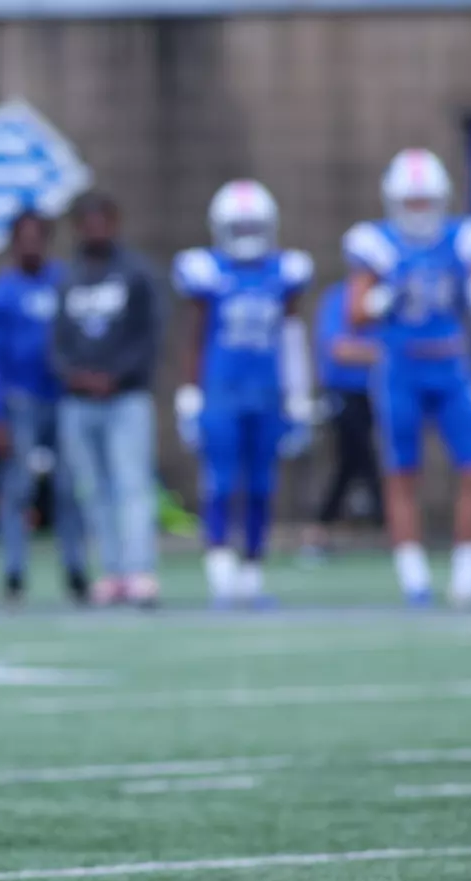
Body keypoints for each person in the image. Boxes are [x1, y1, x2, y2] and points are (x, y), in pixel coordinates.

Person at [345, 148, 471, 607]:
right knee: (401, 474)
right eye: (410, 202)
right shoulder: (376, 243)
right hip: (401, 366)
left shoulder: (463, 237)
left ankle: (467, 579)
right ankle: (414, 580)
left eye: (425, 201)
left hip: (451, 365)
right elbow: (356, 312)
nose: (418, 210)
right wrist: (380, 299)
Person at [172, 180, 314, 608]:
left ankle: (251, 572)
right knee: (219, 481)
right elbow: (195, 336)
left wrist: (299, 394)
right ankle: (219, 569)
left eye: (255, 226)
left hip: (268, 390)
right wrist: (189, 392)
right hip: (221, 390)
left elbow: (291, 335)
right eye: (240, 226)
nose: (248, 235)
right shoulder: (207, 272)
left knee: (260, 485)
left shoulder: (284, 272)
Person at [52, 190, 165, 608]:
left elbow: (149, 336)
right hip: (79, 400)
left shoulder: (136, 273)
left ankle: (140, 570)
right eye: (87, 221)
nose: (95, 229)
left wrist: (117, 377)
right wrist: (75, 375)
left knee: (131, 483)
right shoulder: (69, 276)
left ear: (115, 223)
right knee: (92, 488)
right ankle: (113, 571)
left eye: (102, 220)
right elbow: (58, 339)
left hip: (126, 399)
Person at [0, 211, 87, 604]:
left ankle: (76, 570)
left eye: (38, 237)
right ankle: (14, 574)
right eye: (24, 237)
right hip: (19, 400)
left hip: (63, 397)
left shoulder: (63, 282)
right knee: (17, 489)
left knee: (70, 487)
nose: (31, 245)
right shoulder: (0, 291)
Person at [301, 279, 385, 556]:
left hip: (376, 391)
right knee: (360, 455)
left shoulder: (390, 295)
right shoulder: (339, 298)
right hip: (343, 391)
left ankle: (320, 527)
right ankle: (389, 523)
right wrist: (385, 353)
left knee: (352, 462)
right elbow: (339, 348)